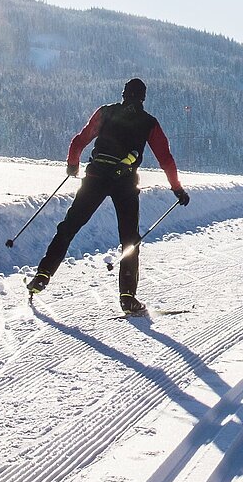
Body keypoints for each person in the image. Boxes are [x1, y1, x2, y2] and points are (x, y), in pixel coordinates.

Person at [29, 78, 188, 314]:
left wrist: (73, 165)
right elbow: (166, 158)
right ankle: (127, 298)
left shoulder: (105, 112)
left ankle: (43, 275)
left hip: (95, 177)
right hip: (125, 182)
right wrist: (177, 188)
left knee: (69, 227)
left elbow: (79, 140)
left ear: (123, 94)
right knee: (129, 238)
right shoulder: (149, 123)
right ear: (143, 98)